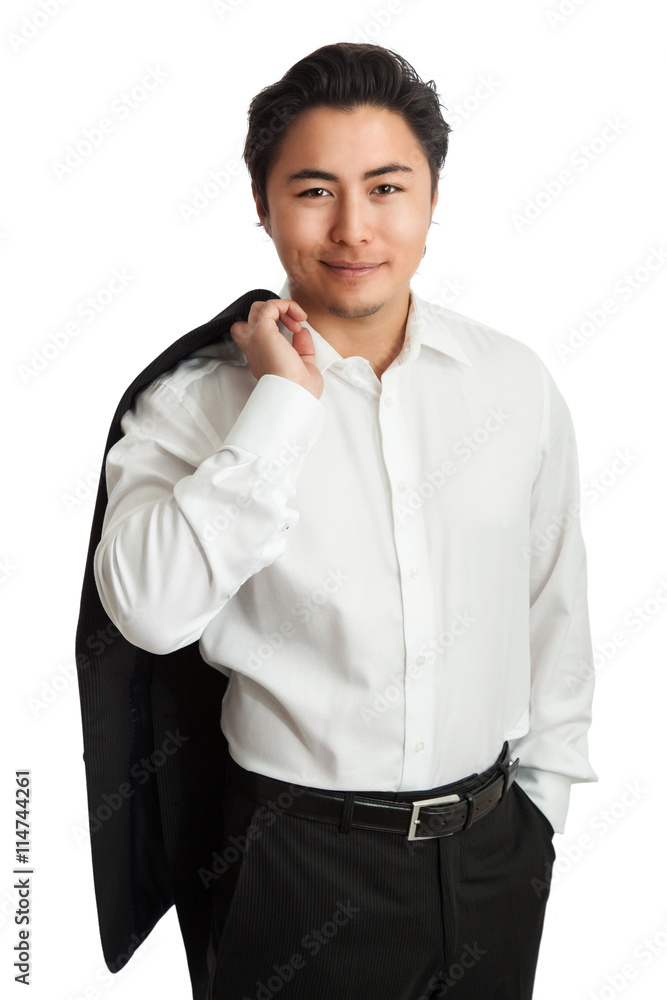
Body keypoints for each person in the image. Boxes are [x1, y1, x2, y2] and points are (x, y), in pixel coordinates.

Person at [81, 41, 598, 999]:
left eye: (387, 187)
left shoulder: (512, 383)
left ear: (432, 197)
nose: (353, 228)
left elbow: (551, 603)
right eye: (314, 190)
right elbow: (147, 613)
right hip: (294, 867)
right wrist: (280, 408)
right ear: (262, 204)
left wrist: (542, 812)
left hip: (493, 862)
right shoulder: (192, 405)